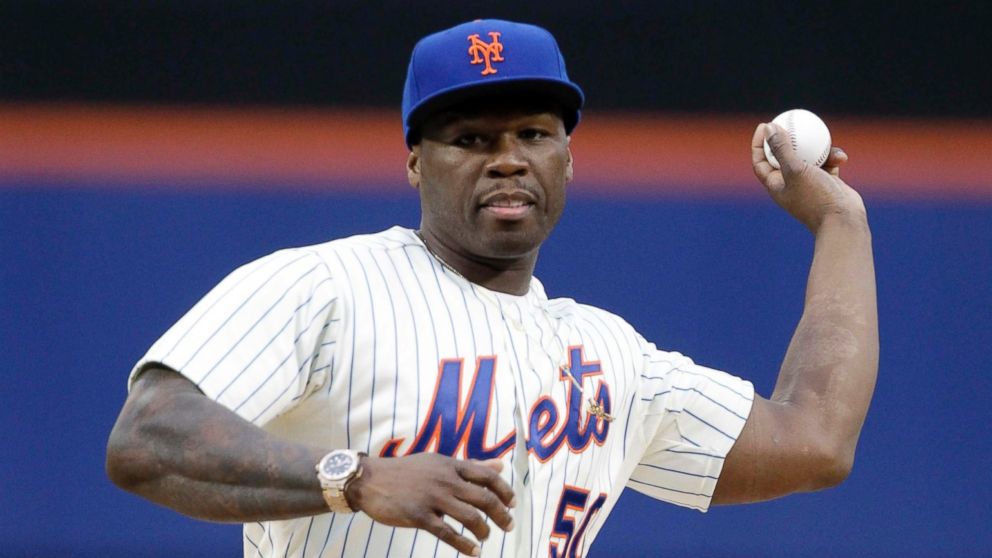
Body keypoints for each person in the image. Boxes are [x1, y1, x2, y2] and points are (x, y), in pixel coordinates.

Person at [106, 18, 878, 558]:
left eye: (533, 135)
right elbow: (147, 438)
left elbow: (814, 442)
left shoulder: (611, 357)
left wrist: (841, 224)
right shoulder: (325, 287)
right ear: (416, 162)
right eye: (472, 139)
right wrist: (352, 477)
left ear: (568, 160)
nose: (507, 159)